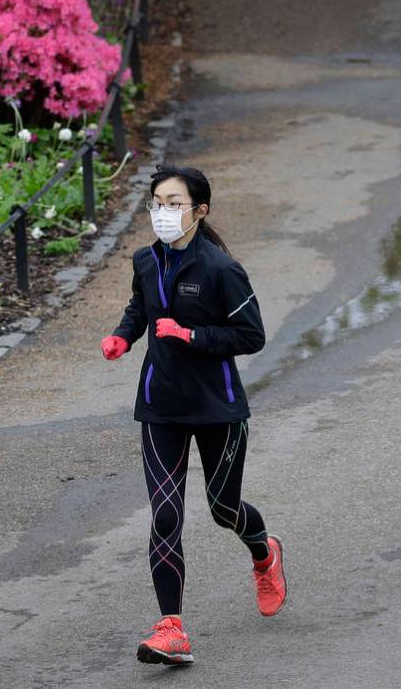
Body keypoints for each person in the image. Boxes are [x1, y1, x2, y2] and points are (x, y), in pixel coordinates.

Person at [100, 165, 287, 666]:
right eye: (157, 202)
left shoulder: (221, 270)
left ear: (199, 211)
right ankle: (172, 629)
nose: (163, 212)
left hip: (218, 408)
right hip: (161, 406)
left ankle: (265, 553)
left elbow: (252, 337)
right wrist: (124, 335)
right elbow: (141, 305)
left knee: (224, 510)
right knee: (165, 516)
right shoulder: (145, 260)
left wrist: (191, 337)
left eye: (174, 203)